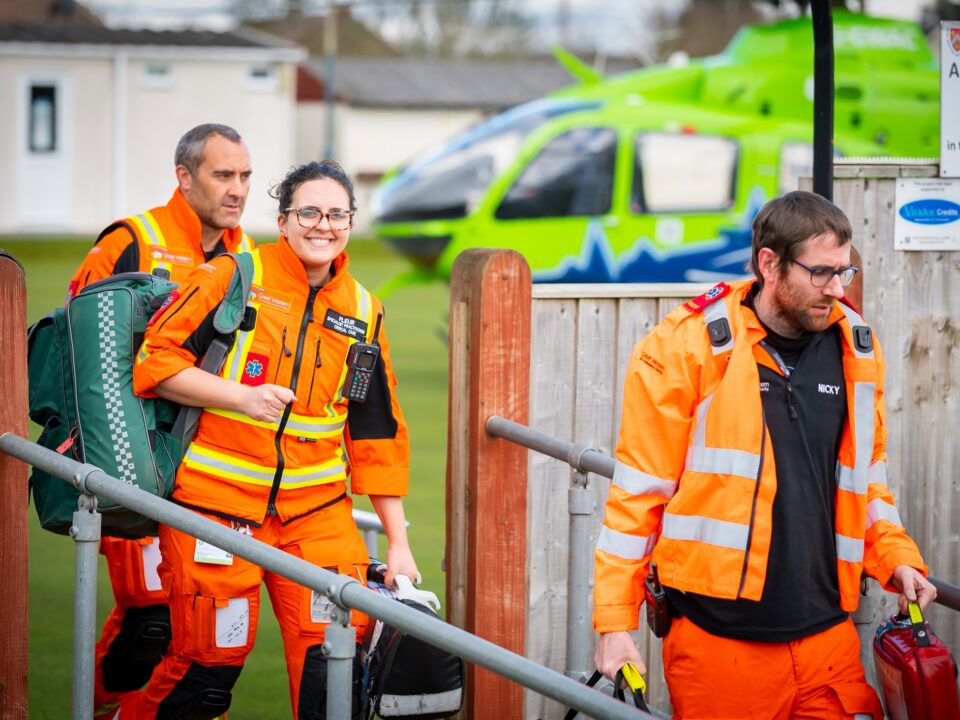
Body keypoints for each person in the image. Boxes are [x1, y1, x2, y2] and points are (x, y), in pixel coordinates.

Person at [593, 190, 937, 719]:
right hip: (721, 649)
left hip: (828, 643)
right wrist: (614, 625)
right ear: (769, 264)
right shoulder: (687, 347)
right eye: (821, 273)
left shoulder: (858, 348)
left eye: (843, 272)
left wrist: (895, 557)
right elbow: (637, 497)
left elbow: (865, 482)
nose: (837, 289)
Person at [120, 160, 418, 719]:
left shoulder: (363, 309)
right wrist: (241, 398)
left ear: (351, 223)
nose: (322, 225)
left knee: (334, 675)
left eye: (336, 214)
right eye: (308, 211)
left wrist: (398, 542)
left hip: (320, 516)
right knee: (206, 670)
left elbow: (375, 430)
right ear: (283, 220)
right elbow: (154, 366)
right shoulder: (233, 276)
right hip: (215, 510)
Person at [65, 123, 254, 720]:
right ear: (184, 176)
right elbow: (78, 347)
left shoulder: (244, 254)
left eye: (246, 176)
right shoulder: (132, 239)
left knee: (192, 630)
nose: (238, 190)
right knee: (149, 622)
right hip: (129, 455)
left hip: (203, 462)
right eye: (223, 175)